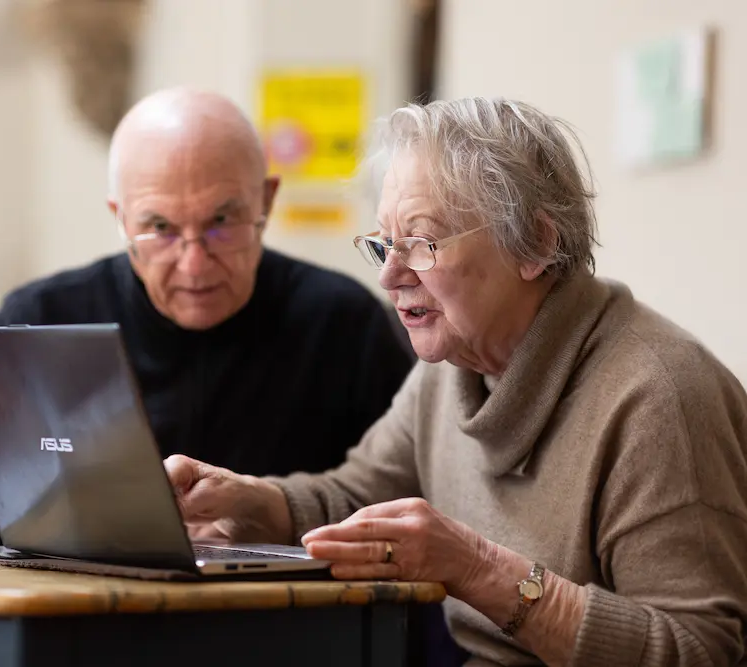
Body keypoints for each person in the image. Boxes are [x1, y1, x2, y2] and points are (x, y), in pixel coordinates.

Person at [163, 97, 747, 666]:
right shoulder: (451, 367)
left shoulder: (658, 397)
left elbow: (699, 648)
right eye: (385, 244)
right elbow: (360, 498)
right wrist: (250, 502)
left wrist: (477, 569)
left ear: (536, 245)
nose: (391, 275)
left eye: (420, 243)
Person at [0, 87, 415, 564]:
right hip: (78, 632)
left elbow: (405, 498)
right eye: (160, 228)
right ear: (120, 219)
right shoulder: (41, 319)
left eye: (221, 222)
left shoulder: (344, 323)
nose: (194, 263)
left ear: (266, 202)